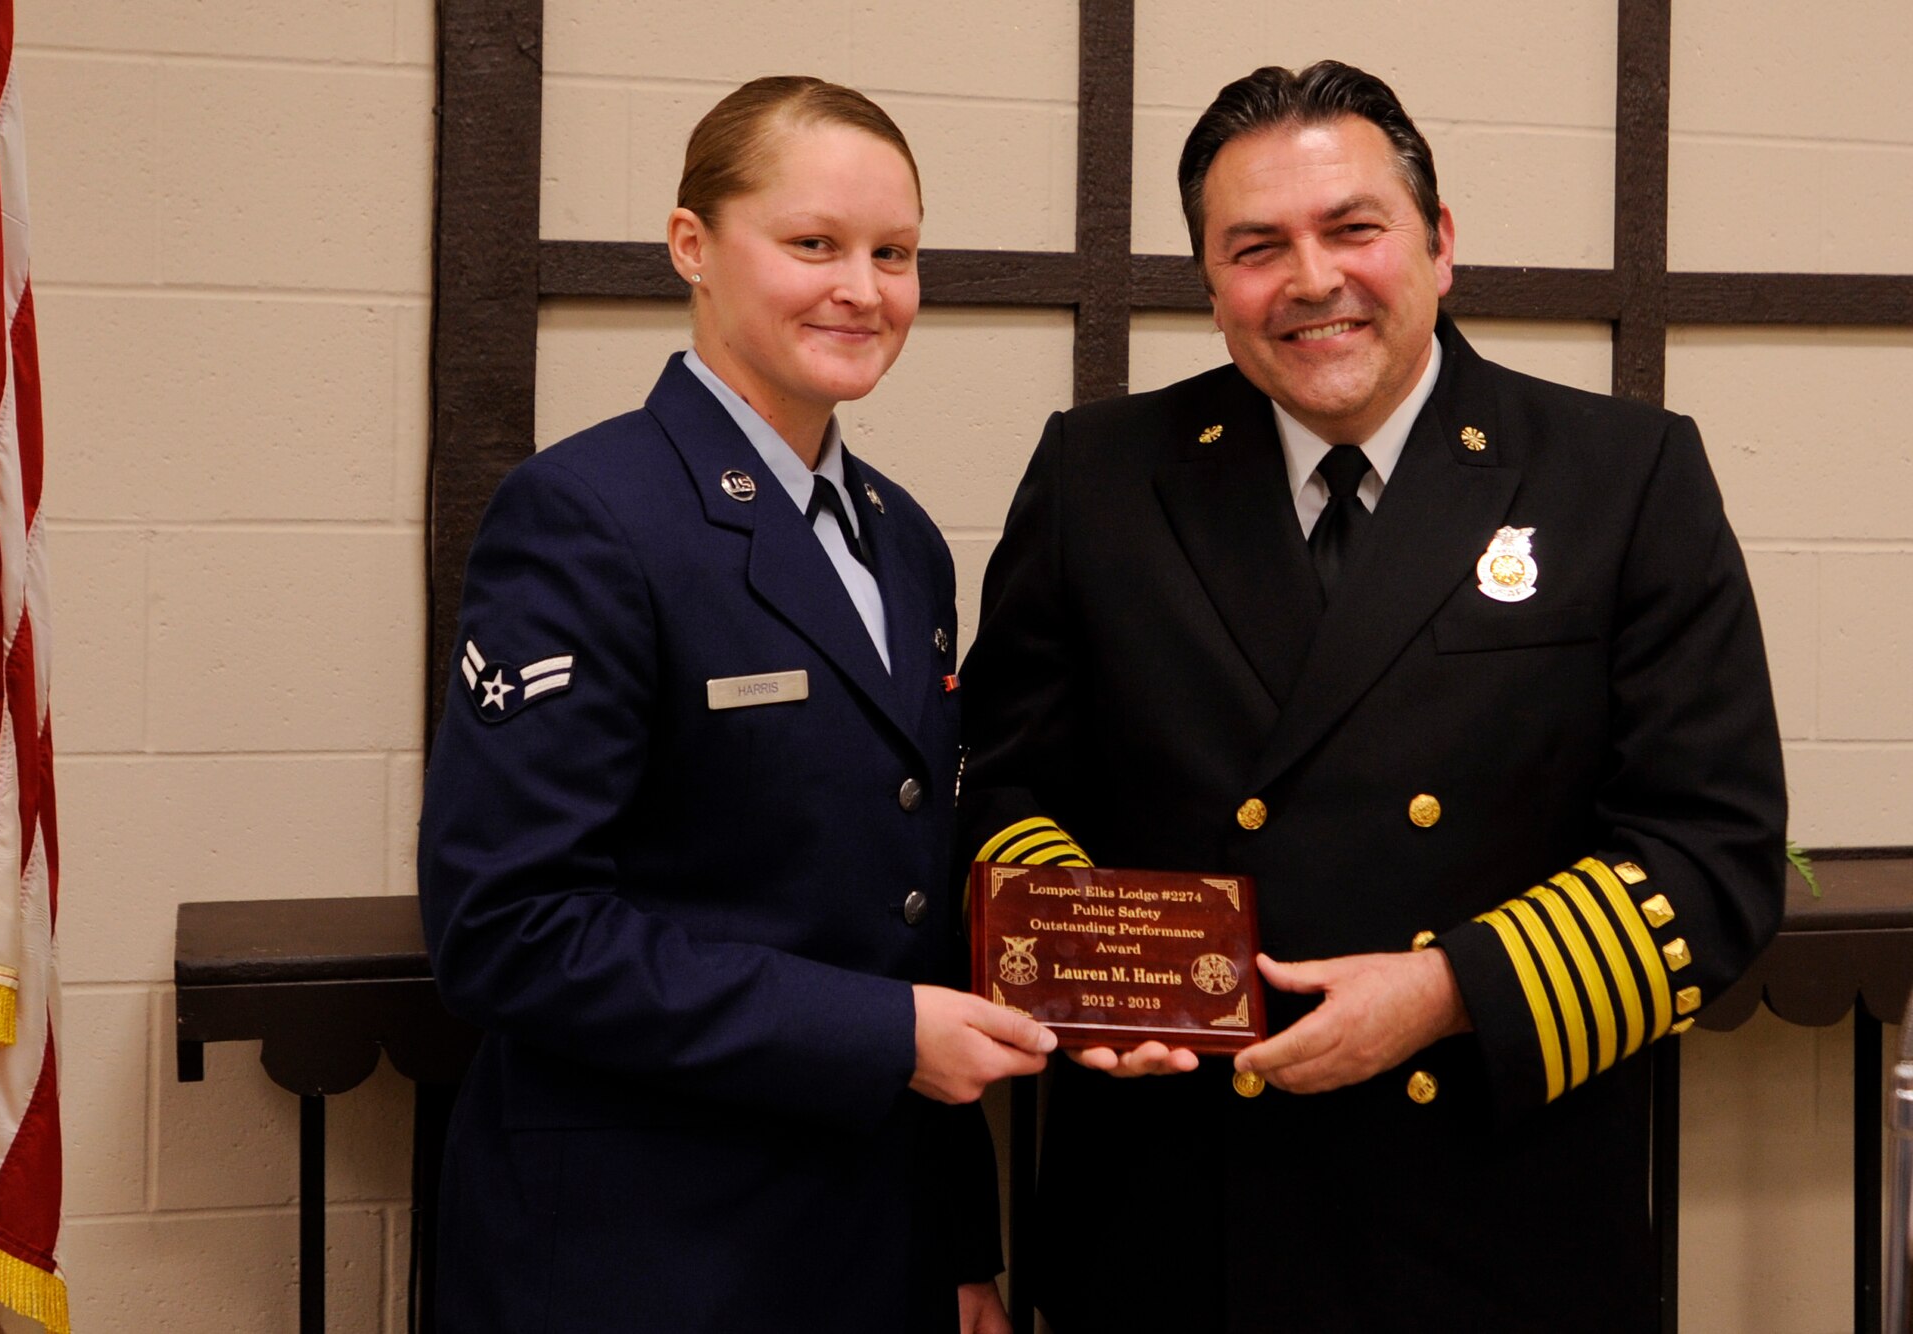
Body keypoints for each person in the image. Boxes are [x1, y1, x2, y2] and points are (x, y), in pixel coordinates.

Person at [959, 61, 1786, 1332]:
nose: (1309, 279)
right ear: (1209, 280)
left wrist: (1447, 988)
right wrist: (1080, 971)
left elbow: (1710, 853)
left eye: (1352, 228)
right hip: (1173, 1219)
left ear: (1437, 243)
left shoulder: (1618, 476)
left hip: (1488, 1220)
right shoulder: (1099, 475)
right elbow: (1004, 780)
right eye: (1255, 247)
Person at [419, 75, 1054, 1334]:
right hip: (645, 1250)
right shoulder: (588, 515)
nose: (861, 288)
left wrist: (958, 1243)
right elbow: (511, 926)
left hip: (869, 1242)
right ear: (691, 247)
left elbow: (903, 917)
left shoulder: (903, 541)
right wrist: (878, 1033)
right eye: (812, 243)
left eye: (895, 252)